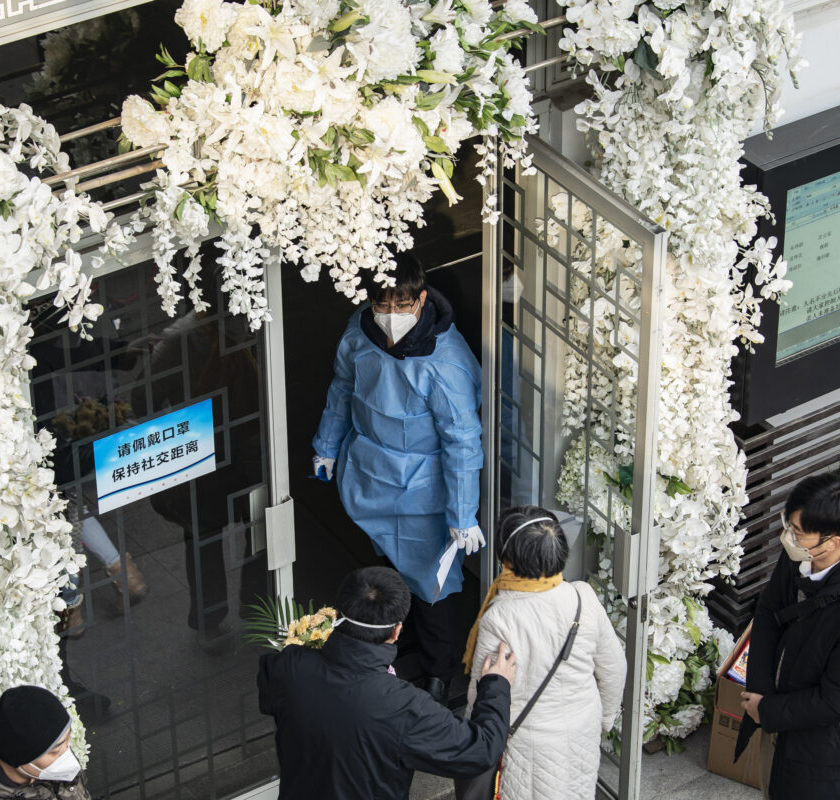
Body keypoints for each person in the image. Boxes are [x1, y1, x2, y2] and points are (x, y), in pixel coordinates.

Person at [312, 252, 483, 701]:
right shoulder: (359, 333)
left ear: (421, 299)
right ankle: (392, 645)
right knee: (386, 575)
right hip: (370, 477)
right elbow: (342, 389)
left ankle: (438, 673)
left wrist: (463, 513)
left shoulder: (444, 365)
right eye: (382, 306)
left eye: (401, 306)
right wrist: (326, 446)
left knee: (432, 588)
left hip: (421, 494)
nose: (390, 317)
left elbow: (463, 442)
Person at [257, 566, 515, 799]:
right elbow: (481, 751)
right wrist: (496, 684)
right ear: (396, 631)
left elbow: (270, 694)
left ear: (335, 615)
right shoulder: (404, 706)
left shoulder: (289, 666)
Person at [739, 473, 840, 800]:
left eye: (797, 531)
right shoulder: (801, 554)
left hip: (825, 756)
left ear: (833, 542)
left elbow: (835, 701)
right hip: (777, 712)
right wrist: (760, 694)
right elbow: (769, 610)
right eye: (789, 525)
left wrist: (768, 711)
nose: (788, 537)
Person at [463, 507, 625, 800]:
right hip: (582, 730)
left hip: (526, 744)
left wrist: (473, 744)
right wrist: (604, 720)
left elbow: (481, 695)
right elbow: (614, 668)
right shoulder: (582, 596)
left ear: (507, 559)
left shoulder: (499, 618)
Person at [0, 684, 89, 800]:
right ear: (18, 757)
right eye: (55, 751)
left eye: (67, 739)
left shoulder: (43, 762)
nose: (67, 753)